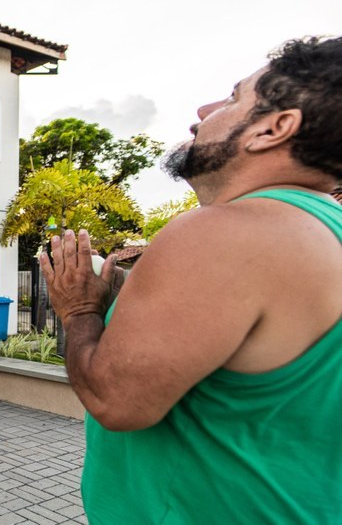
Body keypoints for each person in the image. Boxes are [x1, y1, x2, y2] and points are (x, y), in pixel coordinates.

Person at [40, 36, 342, 524]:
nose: (203, 110)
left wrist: (79, 310)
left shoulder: (229, 231)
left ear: (274, 128)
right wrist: (122, 295)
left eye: (233, 97)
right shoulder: (324, 229)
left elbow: (116, 401)